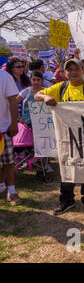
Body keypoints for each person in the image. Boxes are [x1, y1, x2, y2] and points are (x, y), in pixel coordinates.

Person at [34, 59, 84, 215]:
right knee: (67, 167)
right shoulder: (61, 87)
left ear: (83, 70)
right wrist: (46, 98)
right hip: (67, 137)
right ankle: (66, 201)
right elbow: (37, 95)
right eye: (70, 69)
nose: (73, 72)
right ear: (64, 73)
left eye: (77, 69)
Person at [0, 68, 20, 205]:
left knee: (8, 161)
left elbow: (13, 100)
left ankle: (12, 192)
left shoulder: (4, 76)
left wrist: (14, 122)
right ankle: (1, 187)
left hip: (3, 128)